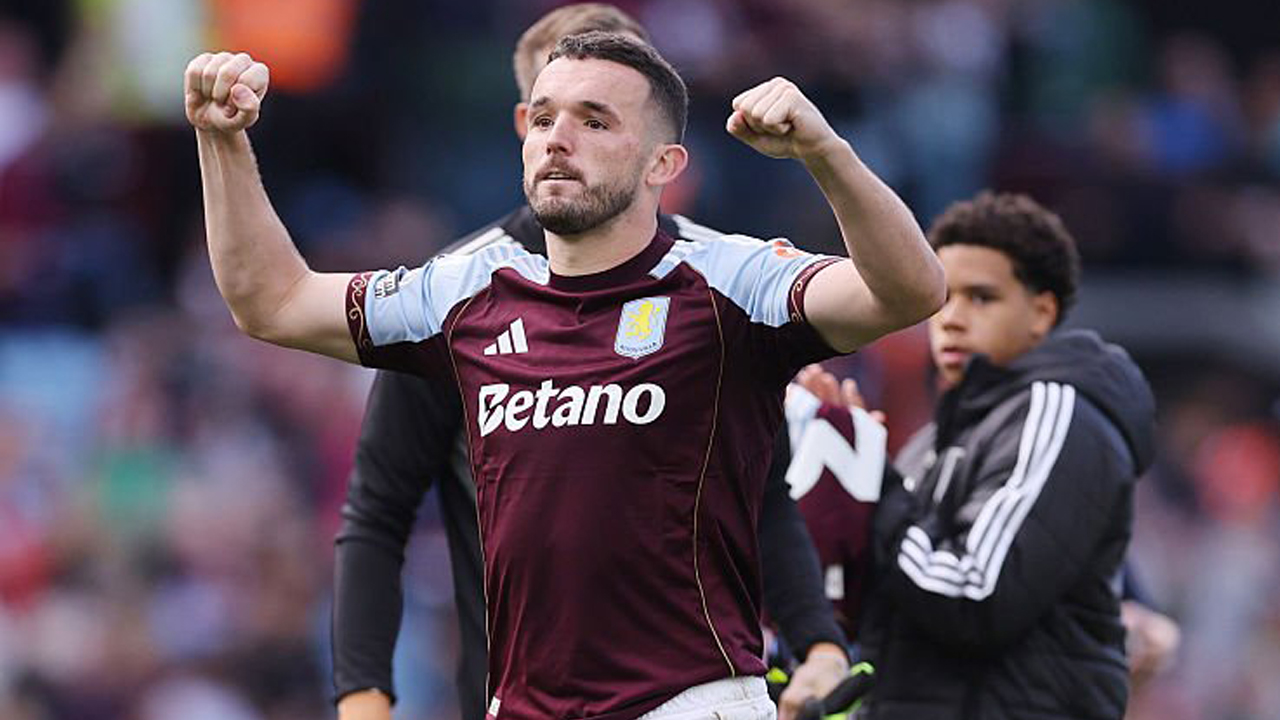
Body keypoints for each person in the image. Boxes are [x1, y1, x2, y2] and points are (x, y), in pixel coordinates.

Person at [184, 29, 944, 720]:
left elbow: (910, 291)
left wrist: (825, 153)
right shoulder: (463, 290)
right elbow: (273, 302)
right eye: (543, 118)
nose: (557, 139)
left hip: (690, 704)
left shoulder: (730, 281)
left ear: (663, 166)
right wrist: (221, 142)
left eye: (594, 120)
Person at [331, 7, 855, 720]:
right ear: (526, 124)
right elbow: (378, 510)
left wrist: (818, 645)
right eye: (555, 110)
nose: (572, 130)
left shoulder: (722, 283)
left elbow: (764, 497)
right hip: (509, 693)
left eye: (605, 110)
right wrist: (364, 699)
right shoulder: (451, 295)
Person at [838, 191, 1156, 719]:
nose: (952, 319)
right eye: (943, 297)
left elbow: (975, 595)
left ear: (1042, 311)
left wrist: (871, 479)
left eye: (981, 298)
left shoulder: (1054, 411)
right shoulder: (934, 441)